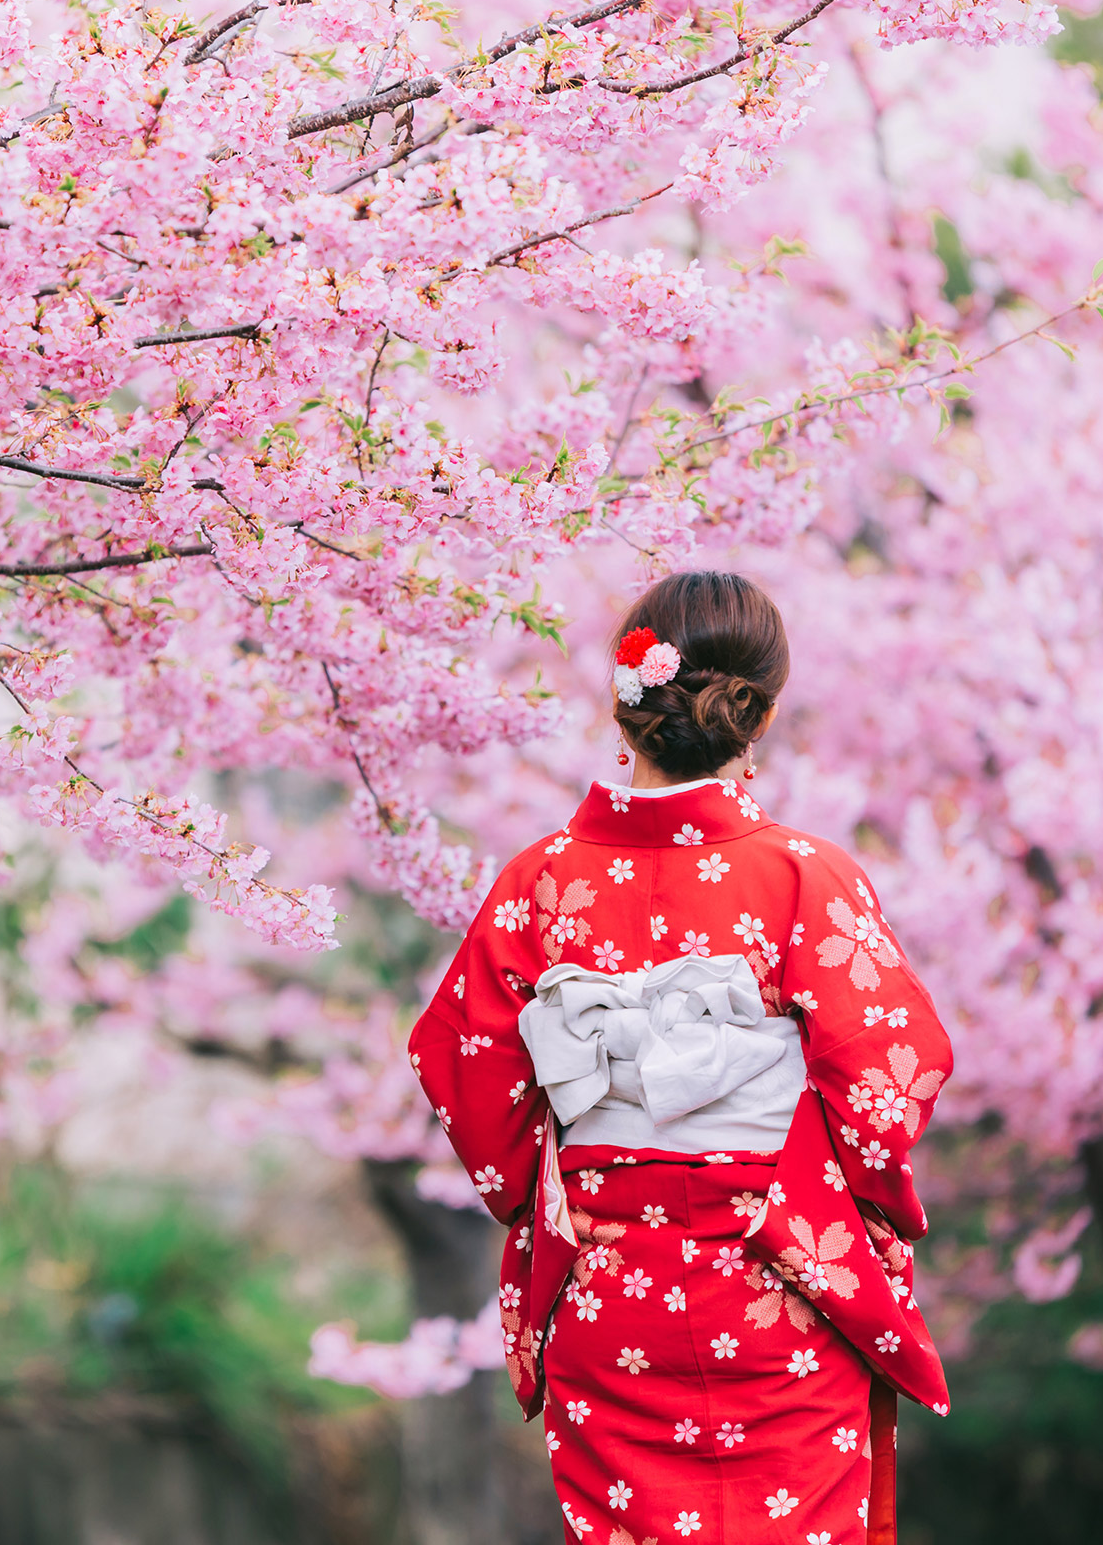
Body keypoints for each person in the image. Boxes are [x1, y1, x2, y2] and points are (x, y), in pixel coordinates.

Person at [408, 571, 954, 1545]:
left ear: (625, 709)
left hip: (613, 1302)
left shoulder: (540, 882)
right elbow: (888, 1078)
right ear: (763, 712)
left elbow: (463, 1066)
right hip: (778, 1284)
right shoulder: (803, 875)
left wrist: (579, 1167)